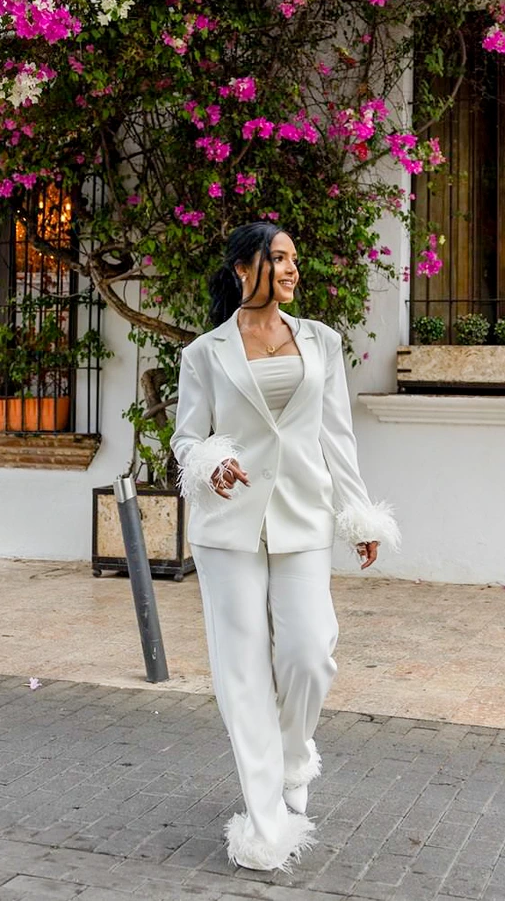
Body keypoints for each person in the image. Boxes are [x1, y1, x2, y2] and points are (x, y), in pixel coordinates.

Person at [170, 220, 400, 872]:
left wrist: (357, 515)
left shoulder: (321, 343)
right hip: (227, 528)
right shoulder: (204, 354)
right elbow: (186, 438)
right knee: (240, 670)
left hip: (300, 517)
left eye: (296, 259)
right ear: (244, 268)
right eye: (279, 258)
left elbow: (336, 437)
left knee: (308, 650)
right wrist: (211, 460)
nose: (293, 269)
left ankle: (295, 754)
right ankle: (265, 821)